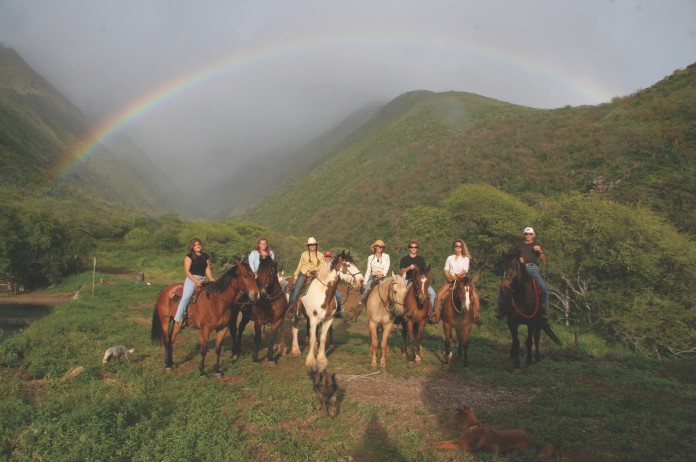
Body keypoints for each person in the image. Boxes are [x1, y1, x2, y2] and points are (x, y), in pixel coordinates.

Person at [496, 227, 549, 319]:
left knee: (544, 289)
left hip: (532, 268)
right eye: (526, 234)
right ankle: (501, 309)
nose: (528, 236)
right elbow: (513, 257)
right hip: (520, 267)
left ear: (533, 235)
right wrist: (518, 259)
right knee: (504, 285)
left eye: (530, 234)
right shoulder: (519, 245)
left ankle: (544, 310)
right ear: (524, 235)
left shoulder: (537, 244)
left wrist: (540, 251)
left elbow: (543, 259)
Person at [430, 239, 481, 325]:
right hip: (450, 281)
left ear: (462, 247)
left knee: (475, 296)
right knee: (439, 295)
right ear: (454, 247)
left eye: (460, 246)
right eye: (456, 246)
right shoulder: (450, 258)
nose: (458, 248)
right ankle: (436, 315)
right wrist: (449, 277)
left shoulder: (466, 258)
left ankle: (476, 316)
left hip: (463, 281)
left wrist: (456, 277)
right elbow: (446, 269)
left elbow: (465, 270)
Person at [174, 238, 215, 325]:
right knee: (186, 297)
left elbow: (207, 268)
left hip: (203, 279)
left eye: (199, 244)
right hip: (191, 279)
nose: (197, 246)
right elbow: (187, 271)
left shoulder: (205, 256)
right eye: (195, 245)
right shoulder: (189, 256)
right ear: (192, 247)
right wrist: (196, 281)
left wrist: (211, 278)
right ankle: (178, 318)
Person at [288, 237, 323, 309]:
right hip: (303, 274)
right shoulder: (304, 254)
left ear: (316, 245)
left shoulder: (321, 255)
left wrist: (314, 269)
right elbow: (300, 265)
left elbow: (322, 266)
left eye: (313, 245)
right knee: (296, 290)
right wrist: (295, 275)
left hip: (315, 274)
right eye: (310, 245)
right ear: (308, 246)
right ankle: (291, 308)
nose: (312, 246)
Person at [399, 239, 436, 307]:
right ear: (409, 248)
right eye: (412, 247)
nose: (413, 248)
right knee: (400, 294)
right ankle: (400, 312)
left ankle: (431, 311)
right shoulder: (404, 259)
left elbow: (424, 272)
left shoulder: (421, 259)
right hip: (408, 279)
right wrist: (409, 267)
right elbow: (401, 271)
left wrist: (417, 269)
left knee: (432, 293)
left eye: (415, 247)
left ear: (417, 249)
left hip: (420, 280)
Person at [323, 250, 343, 318]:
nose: (328, 257)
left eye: (329, 256)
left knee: (338, 296)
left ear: (330, 257)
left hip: (331, 285)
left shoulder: (333, 265)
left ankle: (337, 312)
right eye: (326, 256)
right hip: (322, 285)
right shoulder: (321, 264)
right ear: (324, 257)